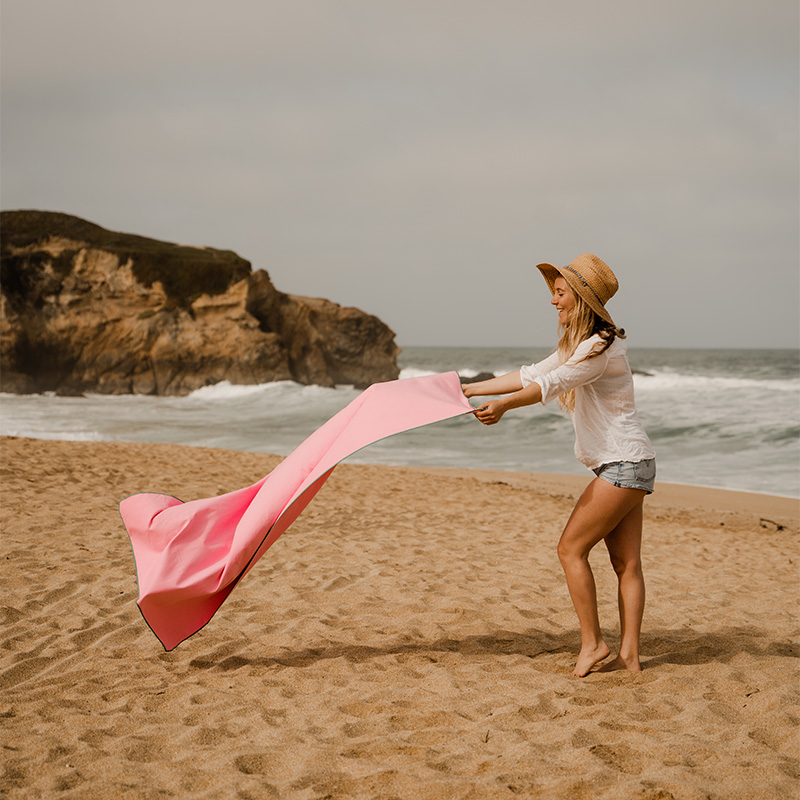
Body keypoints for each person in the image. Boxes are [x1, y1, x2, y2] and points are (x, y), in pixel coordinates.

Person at [462, 253, 655, 677]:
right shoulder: (587, 344)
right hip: (632, 463)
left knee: (570, 549)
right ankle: (630, 657)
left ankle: (593, 644)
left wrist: (506, 407)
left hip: (623, 464)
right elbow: (532, 372)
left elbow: (549, 384)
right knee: (627, 565)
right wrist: (468, 388)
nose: (553, 300)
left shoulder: (599, 348)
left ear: (582, 301)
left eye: (561, 292)